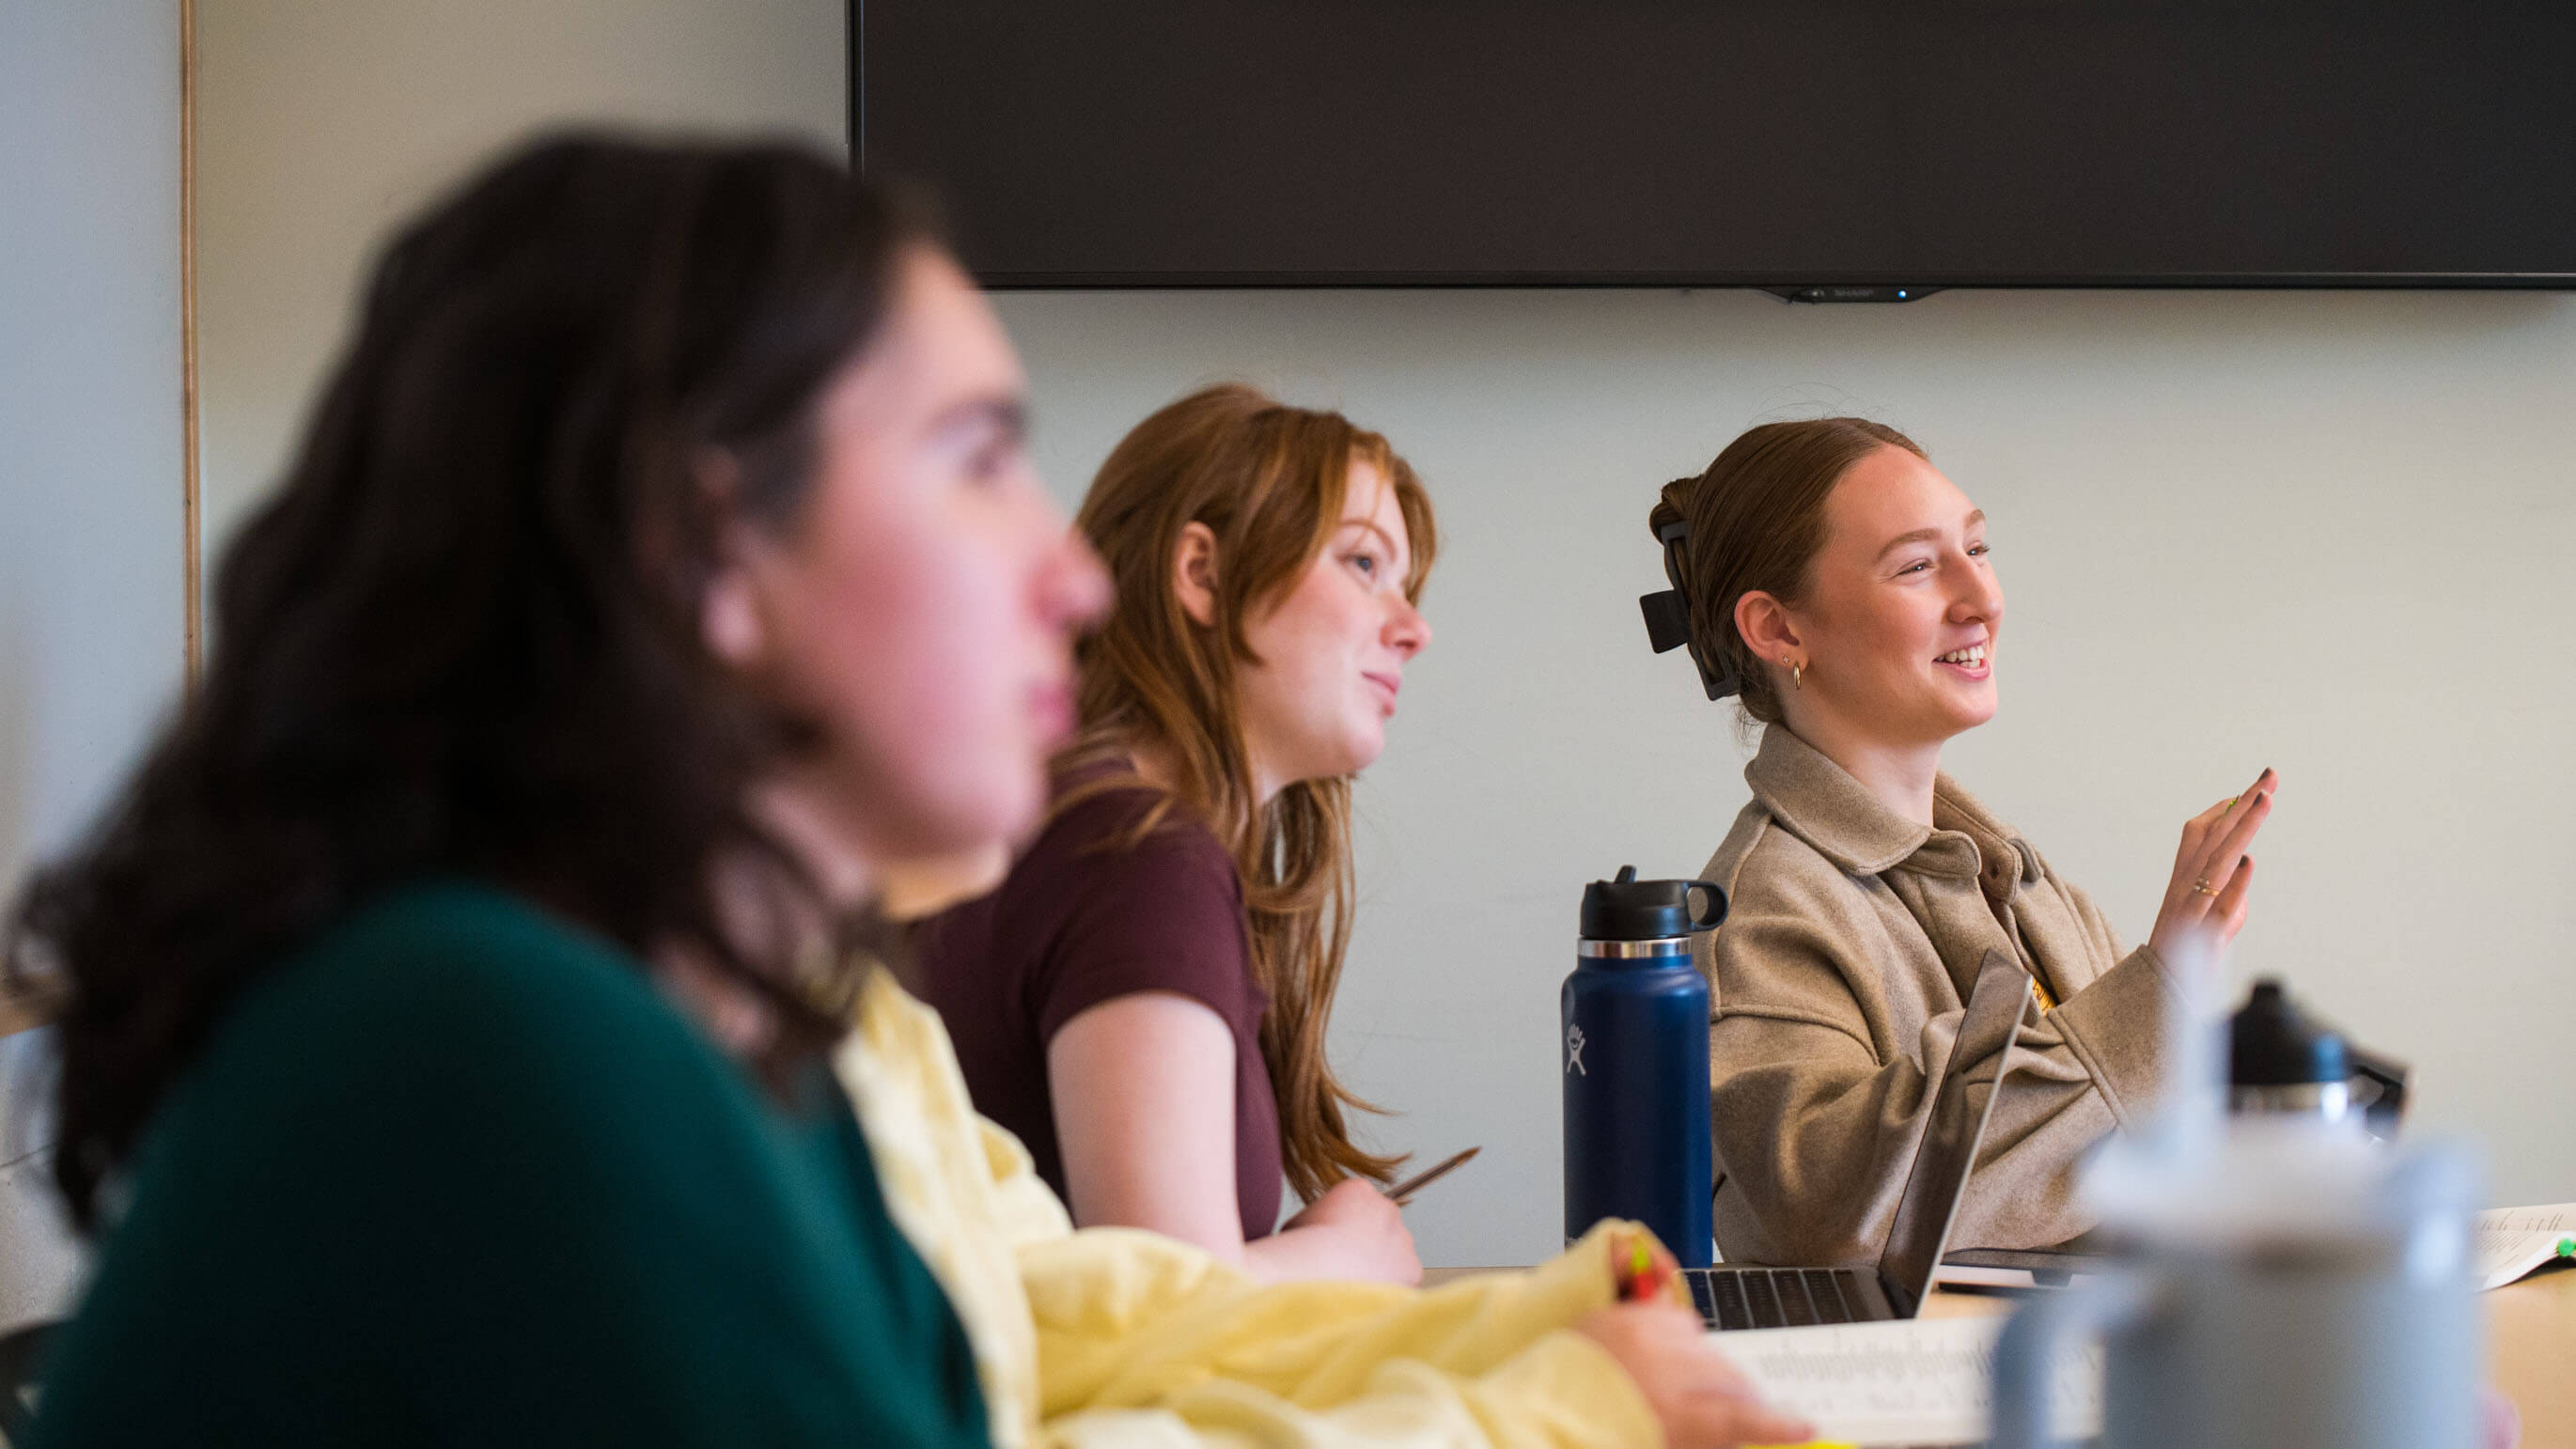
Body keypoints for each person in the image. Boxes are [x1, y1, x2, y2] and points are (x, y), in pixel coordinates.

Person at [10, 132, 1808, 1449]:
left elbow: (1048, 1333)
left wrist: (1557, 1325)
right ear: (708, 543)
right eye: (972, 461)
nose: (1073, 575)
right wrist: (1558, 1405)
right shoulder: (503, 1036)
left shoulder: (821, 1032)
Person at [1644, 417, 2275, 1266]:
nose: (1980, 600)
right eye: (1915, 566)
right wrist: (2152, 995)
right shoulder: (1760, 919)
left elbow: (2112, 1160)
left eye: (1976, 550)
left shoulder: (2021, 882)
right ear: (1779, 630)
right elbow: (1826, 1214)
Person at [908, 384, 1431, 1285]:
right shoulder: (1137, 857)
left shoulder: (1077, 824)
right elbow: (1166, 1299)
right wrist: (1344, 1256)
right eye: (1362, 563)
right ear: (1201, 573)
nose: (1412, 628)